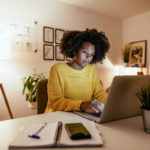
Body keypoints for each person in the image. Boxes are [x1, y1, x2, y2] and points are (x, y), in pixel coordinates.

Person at [45, 28, 110, 114]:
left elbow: (99, 93)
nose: (89, 57)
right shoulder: (57, 69)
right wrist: (81, 105)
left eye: (92, 54)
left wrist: (110, 102)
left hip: (83, 115)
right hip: (58, 116)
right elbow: (55, 101)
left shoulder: (91, 69)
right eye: (85, 52)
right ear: (74, 50)